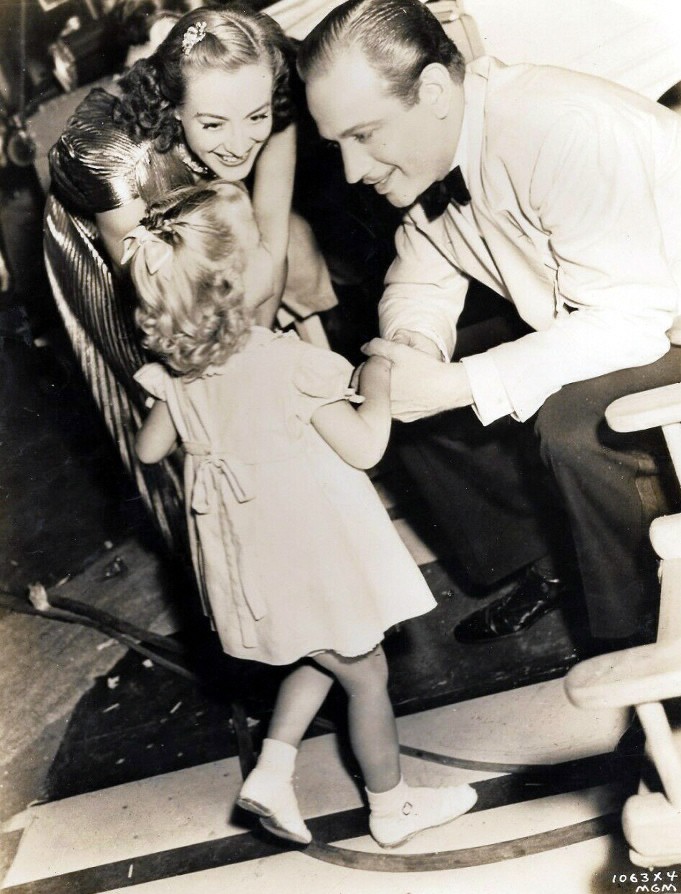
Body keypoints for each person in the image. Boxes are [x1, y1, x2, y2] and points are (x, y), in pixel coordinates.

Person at [297, 0, 681, 653]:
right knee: (399, 396)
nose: (353, 171)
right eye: (338, 145)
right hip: (614, 319)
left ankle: (640, 641)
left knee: (570, 425)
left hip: (658, 323)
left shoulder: (558, 129)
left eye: (363, 136)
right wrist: (410, 349)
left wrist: (456, 384)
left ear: (433, 92)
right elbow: (420, 273)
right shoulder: (440, 146)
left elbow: (630, 323)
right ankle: (556, 555)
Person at [128, 178, 478, 848]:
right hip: (309, 549)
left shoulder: (175, 377)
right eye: (261, 242)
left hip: (246, 558)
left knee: (320, 650)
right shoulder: (283, 361)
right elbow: (366, 442)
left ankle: (272, 768)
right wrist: (375, 376)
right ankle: (391, 807)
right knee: (365, 669)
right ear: (236, 279)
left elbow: (149, 450)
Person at [46, 4, 337, 552]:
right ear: (174, 108)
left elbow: (269, 246)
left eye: (254, 117)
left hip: (217, 210)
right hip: (126, 246)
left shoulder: (272, 101)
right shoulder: (111, 154)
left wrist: (256, 355)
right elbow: (165, 306)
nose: (238, 141)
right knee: (169, 400)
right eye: (213, 122)